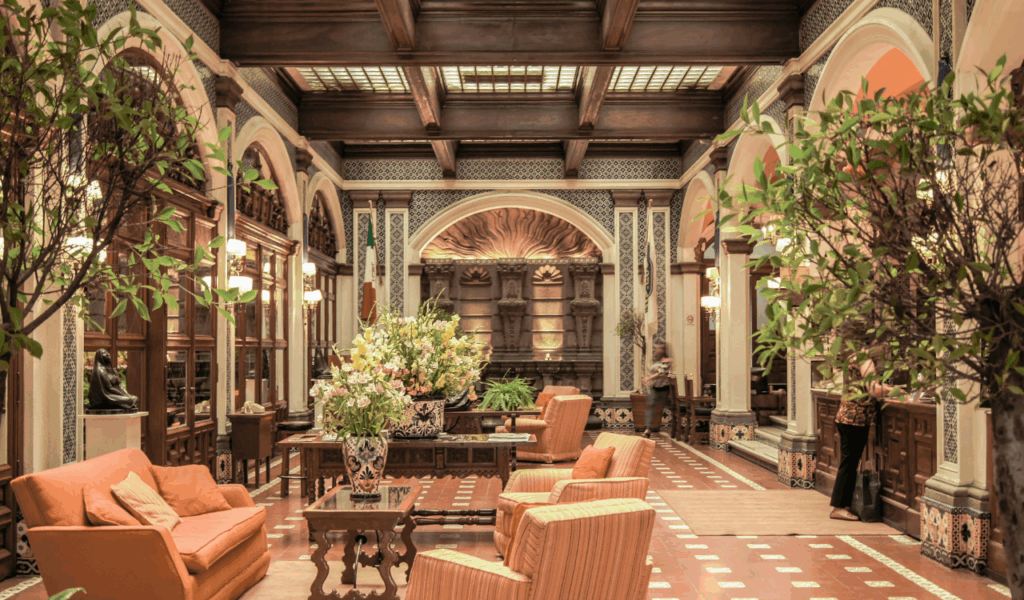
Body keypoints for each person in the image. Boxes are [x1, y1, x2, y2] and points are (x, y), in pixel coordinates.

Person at [829, 347, 892, 521]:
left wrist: (885, 388)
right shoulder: (866, 361)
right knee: (849, 462)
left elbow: (868, 385)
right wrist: (892, 392)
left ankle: (842, 505)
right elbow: (873, 390)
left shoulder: (854, 357)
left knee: (849, 461)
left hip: (847, 415)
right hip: (855, 417)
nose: (883, 349)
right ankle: (839, 507)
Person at [641, 344, 673, 439]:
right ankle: (648, 429)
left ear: (663, 350)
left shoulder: (667, 361)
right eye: (655, 348)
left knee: (669, 407)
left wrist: (648, 378)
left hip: (664, 389)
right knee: (650, 407)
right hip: (655, 388)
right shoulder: (656, 360)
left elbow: (661, 373)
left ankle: (674, 428)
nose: (656, 350)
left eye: (658, 348)